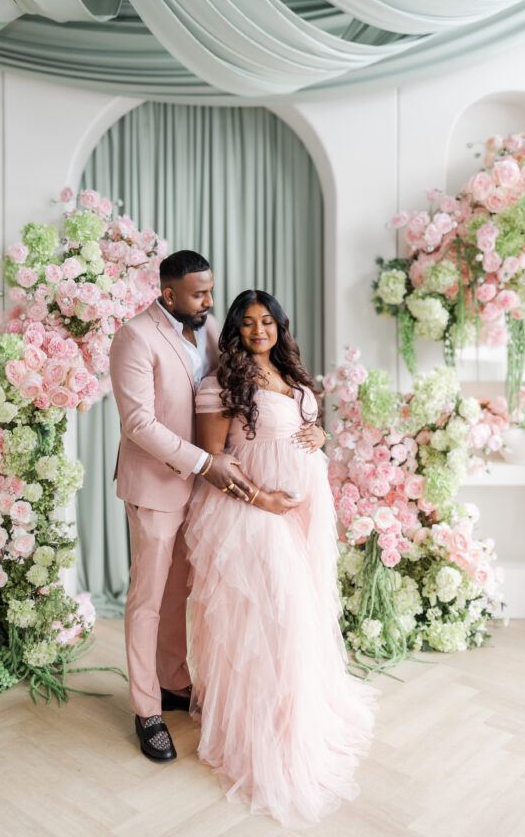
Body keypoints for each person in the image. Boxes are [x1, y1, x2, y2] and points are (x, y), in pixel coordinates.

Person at [184, 290, 377, 827]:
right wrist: (262, 499)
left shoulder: (290, 372)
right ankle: (258, 728)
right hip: (252, 513)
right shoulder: (221, 384)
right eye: (248, 323)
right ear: (234, 329)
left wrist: (319, 433)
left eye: (267, 321)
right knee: (272, 619)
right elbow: (215, 460)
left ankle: (295, 711)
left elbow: (301, 431)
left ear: (280, 325)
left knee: (304, 613)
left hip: (302, 512)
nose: (259, 330)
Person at [109, 250, 252, 763]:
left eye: (211, 291)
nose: (210, 302)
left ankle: (174, 683)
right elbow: (138, 424)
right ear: (168, 294)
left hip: (201, 487)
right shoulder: (134, 337)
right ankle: (147, 710)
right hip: (154, 486)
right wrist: (203, 463)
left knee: (180, 593)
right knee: (147, 598)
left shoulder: (207, 326)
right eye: (199, 293)